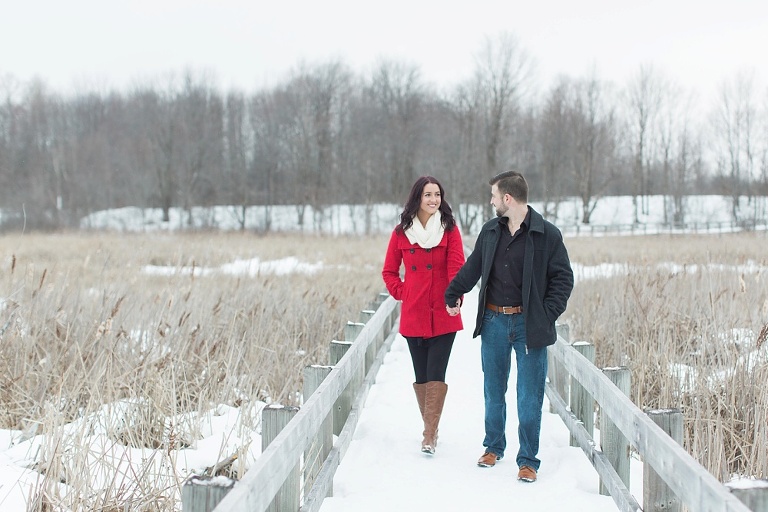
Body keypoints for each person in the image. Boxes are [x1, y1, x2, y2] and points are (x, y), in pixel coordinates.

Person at [444, 170, 573, 482]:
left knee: (529, 396)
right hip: (493, 322)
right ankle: (493, 446)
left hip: (530, 326)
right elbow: (472, 268)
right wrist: (452, 293)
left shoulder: (547, 234)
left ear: (507, 198)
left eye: (493, 196)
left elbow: (563, 279)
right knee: (493, 389)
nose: (491, 201)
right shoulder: (490, 232)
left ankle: (528, 460)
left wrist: (546, 314)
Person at [382, 176, 465, 455]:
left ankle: (428, 435)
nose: (433, 200)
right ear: (417, 197)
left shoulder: (450, 230)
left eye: (437, 195)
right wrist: (403, 293)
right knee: (421, 377)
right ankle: (432, 428)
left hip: (444, 312)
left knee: (436, 374)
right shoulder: (401, 233)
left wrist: (455, 295)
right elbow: (389, 272)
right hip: (414, 313)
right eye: (428, 195)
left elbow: (457, 267)